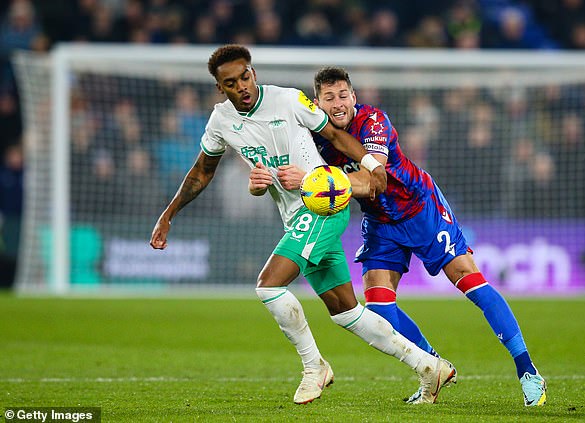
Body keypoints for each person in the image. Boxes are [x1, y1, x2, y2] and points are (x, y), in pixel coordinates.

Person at [150, 45, 456, 405]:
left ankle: (314, 367)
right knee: (347, 312)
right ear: (222, 89)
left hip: (323, 205)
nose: (242, 86)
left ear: (254, 73)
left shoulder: (289, 100)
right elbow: (203, 171)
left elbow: (336, 137)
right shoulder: (221, 122)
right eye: (231, 83)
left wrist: (372, 164)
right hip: (295, 217)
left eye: (245, 76)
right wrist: (168, 214)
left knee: (268, 286)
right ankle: (427, 366)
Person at [277, 67, 547, 406]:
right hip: (379, 222)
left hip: (420, 208)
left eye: (343, 95)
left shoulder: (373, 121)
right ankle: (434, 365)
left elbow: (375, 179)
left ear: (353, 97)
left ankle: (528, 371)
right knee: (378, 307)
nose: (338, 104)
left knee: (469, 280)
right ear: (317, 103)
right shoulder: (315, 140)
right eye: (329, 98)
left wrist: (313, 181)